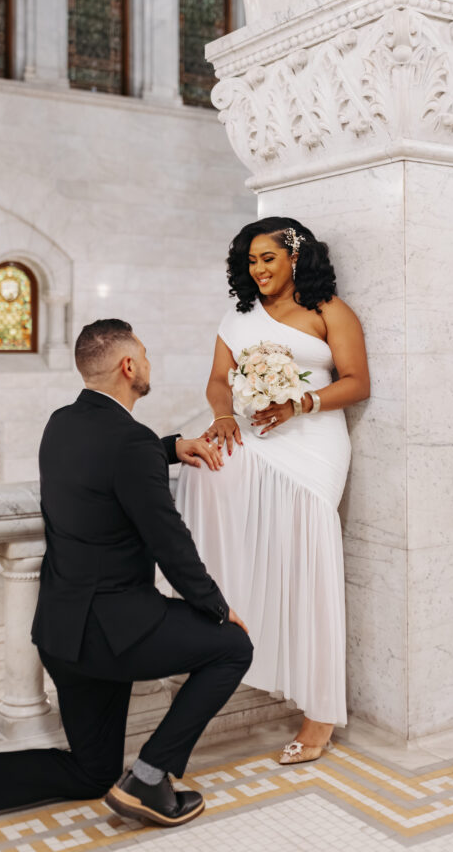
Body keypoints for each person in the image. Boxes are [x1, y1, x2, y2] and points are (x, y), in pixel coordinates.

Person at [0, 318, 252, 848]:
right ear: (128, 366)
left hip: (63, 637)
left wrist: (168, 445)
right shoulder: (128, 443)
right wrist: (217, 609)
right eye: (146, 355)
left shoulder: (60, 424)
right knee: (233, 648)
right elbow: (170, 544)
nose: (150, 364)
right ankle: (151, 780)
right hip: (119, 631)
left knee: (92, 772)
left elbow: (105, 465)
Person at [176, 217, 370, 765]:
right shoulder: (236, 316)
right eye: (251, 261)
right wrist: (222, 417)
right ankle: (216, 612)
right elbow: (220, 379)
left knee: (306, 564)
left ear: (294, 257)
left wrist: (300, 403)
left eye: (267, 258)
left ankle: (320, 715)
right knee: (203, 468)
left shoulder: (329, 310)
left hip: (311, 444)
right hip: (256, 433)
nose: (258, 270)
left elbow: (357, 381)